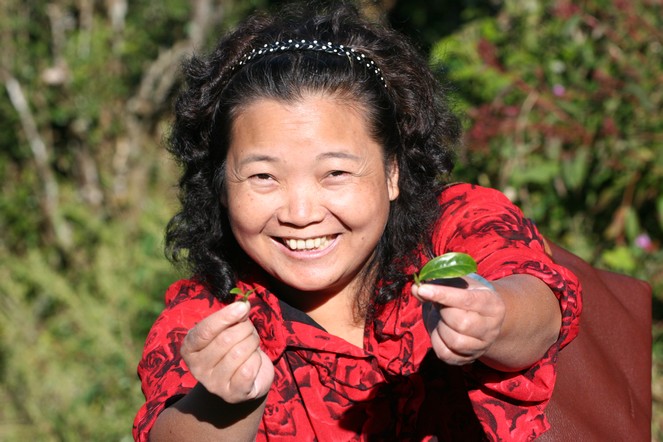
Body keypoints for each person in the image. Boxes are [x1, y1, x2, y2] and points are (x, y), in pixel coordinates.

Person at [133, 1, 581, 441]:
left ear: (392, 172)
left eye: (336, 173)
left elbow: (541, 307)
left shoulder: (456, 225)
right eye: (263, 176)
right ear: (223, 187)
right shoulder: (213, 313)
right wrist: (226, 400)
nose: (301, 214)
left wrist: (494, 317)